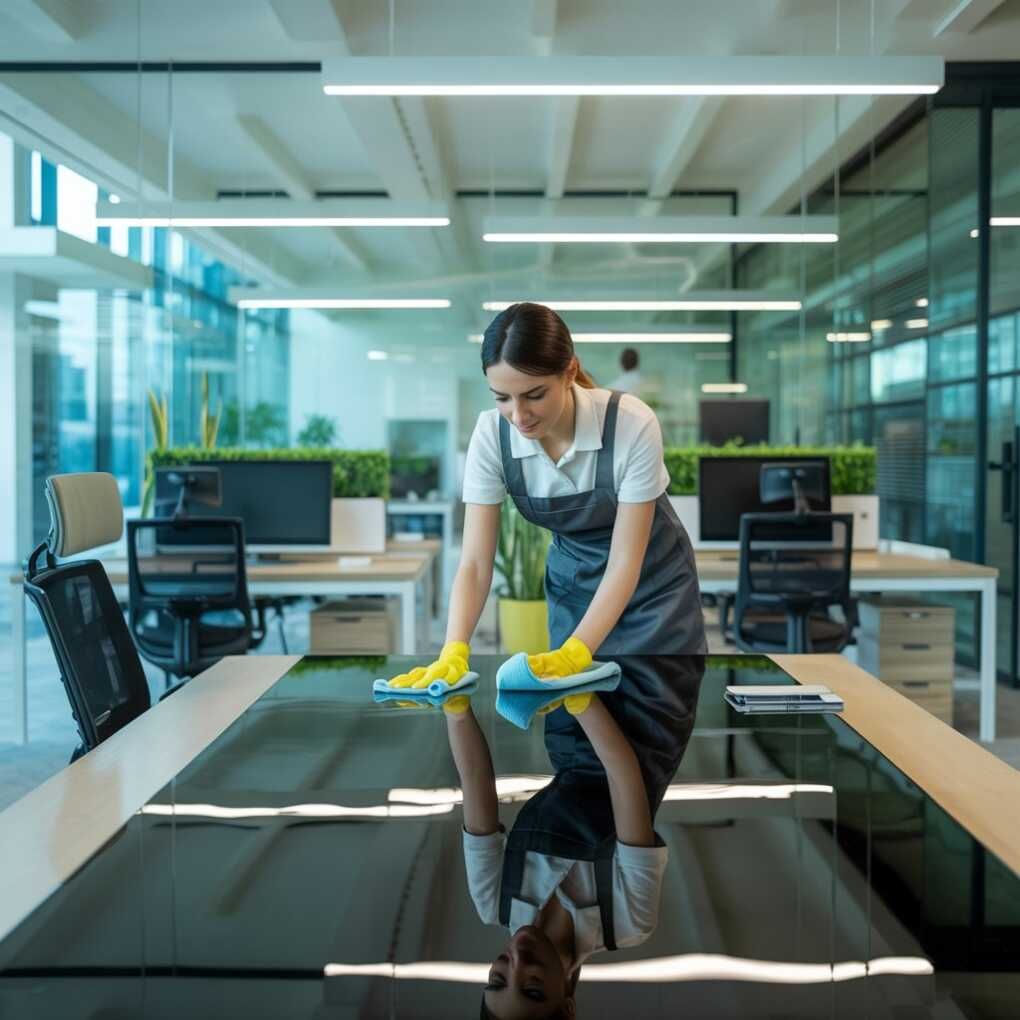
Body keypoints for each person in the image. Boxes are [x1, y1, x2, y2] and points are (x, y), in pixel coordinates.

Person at [388, 301, 706, 698]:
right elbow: (473, 563)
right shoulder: (492, 437)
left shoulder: (630, 424)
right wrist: (454, 651)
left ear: (569, 371)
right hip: (575, 590)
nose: (519, 416)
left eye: (534, 395)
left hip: (655, 595)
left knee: (654, 723)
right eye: (502, 397)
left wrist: (577, 653)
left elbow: (625, 562)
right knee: (573, 735)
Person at [443, 655, 703, 1019]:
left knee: (581, 606)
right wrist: (581, 697)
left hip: (568, 728)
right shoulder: (628, 920)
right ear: (566, 1008)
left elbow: (475, 782)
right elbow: (626, 779)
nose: (516, 962)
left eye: (498, 979)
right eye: (532, 988)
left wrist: (455, 708)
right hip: (648, 718)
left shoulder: (494, 900)